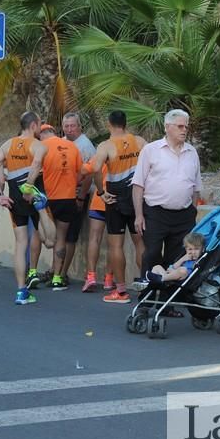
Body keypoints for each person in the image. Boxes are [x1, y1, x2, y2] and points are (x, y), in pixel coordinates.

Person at [132, 109, 202, 309]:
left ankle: (166, 304)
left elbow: (196, 187)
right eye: (180, 126)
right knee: (152, 254)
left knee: (176, 258)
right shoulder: (151, 150)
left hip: (184, 215)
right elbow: (138, 185)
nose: (184, 130)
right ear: (167, 127)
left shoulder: (192, 152)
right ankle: (146, 300)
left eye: (186, 126)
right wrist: (138, 215)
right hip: (156, 212)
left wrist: (193, 212)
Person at [0, 111, 50, 305]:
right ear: (33, 125)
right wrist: (29, 187)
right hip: (33, 195)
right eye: (39, 124)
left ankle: (21, 291)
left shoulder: (8, 145)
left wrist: (0, 195)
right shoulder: (39, 146)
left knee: (20, 244)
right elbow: (37, 162)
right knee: (51, 241)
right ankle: (41, 210)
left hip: (14, 198)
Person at [84, 110, 146, 303]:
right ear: (125, 123)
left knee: (116, 245)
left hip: (115, 198)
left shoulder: (106, 146)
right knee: (140, 243)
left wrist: (102, 193)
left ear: (109, 124)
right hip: (138, 197)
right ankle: (147, 286)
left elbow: (94, 169)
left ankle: (120, 292)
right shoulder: (140, 142)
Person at [27, 124, 82, 291]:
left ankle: (32, 272)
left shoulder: (41, 147)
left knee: (37, 234)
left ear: (41, 134)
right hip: (67, 198)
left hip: (47, 199)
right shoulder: (73, 146)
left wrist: (28, 188)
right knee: (61, 237)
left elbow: (35, 169)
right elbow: (81, 172)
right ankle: (57, 278)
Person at [61, 112, 97, 283]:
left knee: (70, 236)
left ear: (79, 126)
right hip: (61, 194)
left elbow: (90, 174)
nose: (69, 129)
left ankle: (62, 273)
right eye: (66, 126)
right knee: (59, 235)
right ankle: (55, 270)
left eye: (72, 125)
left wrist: (81, 197)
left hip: (77, 195)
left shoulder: (85, 145)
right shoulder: (61, 142)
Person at [80, 160, 114, 292]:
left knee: (94, 238)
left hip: (99, 199)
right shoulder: (128, 152)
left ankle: (91, 277)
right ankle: (108, 279)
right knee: (114, 243)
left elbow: (83, 170)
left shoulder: (101, 152)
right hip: (114, 200)